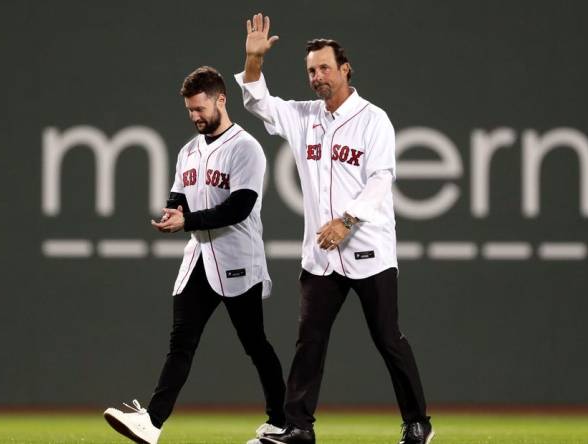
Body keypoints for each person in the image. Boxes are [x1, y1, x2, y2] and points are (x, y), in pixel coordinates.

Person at [235, 13, 434, 444]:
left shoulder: (373, 120)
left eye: (325, 67)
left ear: (345, 69)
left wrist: (347, 221)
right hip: (322, 254)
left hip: (369, 249)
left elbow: (381, 178)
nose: (317, 77)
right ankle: (298, 427)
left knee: (388, 339)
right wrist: (254, 62)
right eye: (310, 70)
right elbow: (258, 102)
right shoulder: (305, 117)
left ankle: (418, 422)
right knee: (309, 342)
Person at [103, 66, 286, 444]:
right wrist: (172, 213)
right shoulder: (188, 150)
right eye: (189, 110)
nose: (195, 116)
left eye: (200, 108)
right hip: (200, 257)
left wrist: (185, 221)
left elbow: (239, 208)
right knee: (181, 342)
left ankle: (281, 421)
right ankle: (151, 423)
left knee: (255, 344)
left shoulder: (245, 148)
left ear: (221, 99)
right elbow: (178, 198)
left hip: (237, 259)